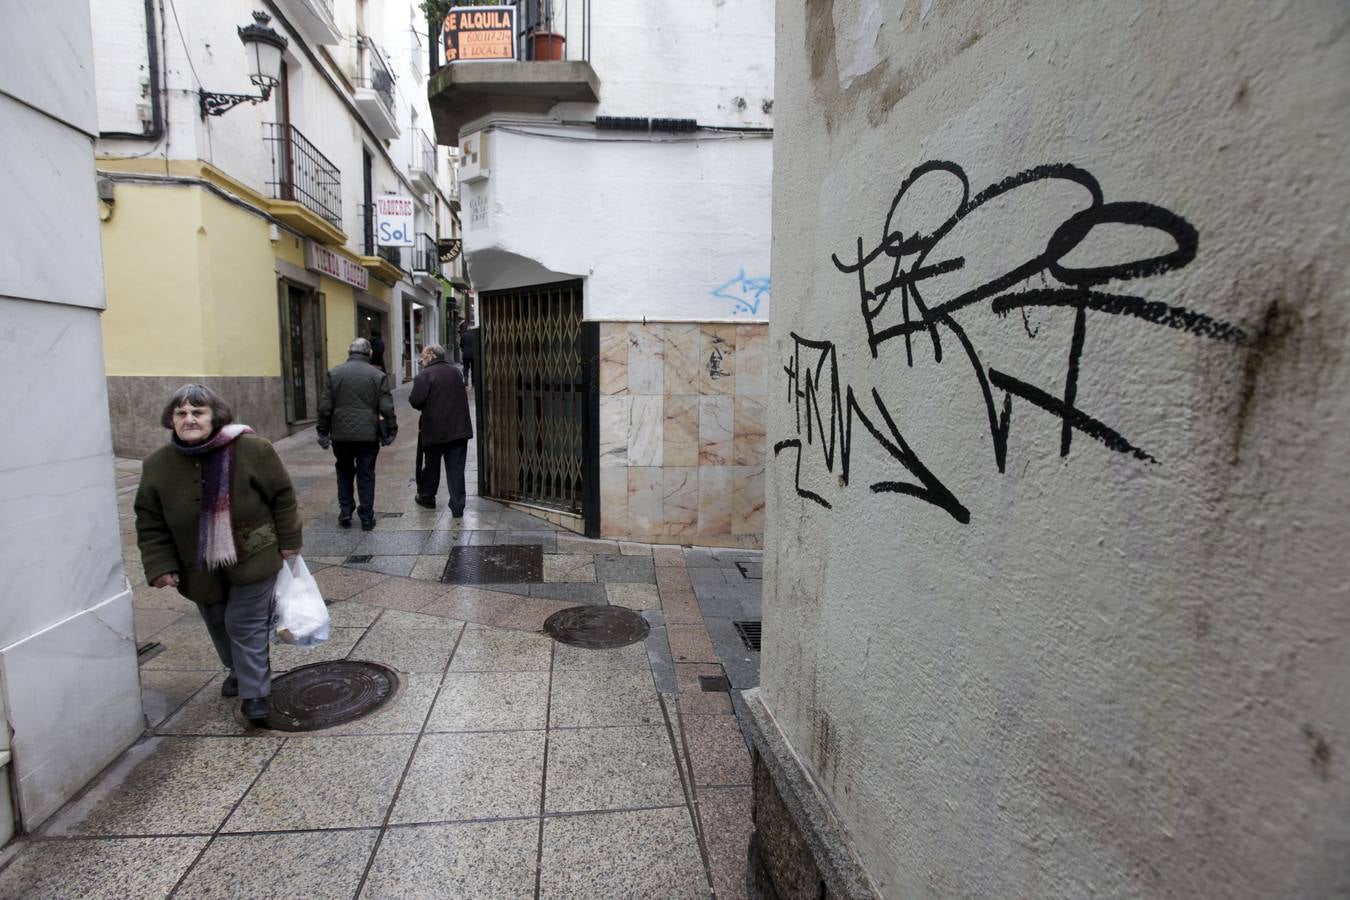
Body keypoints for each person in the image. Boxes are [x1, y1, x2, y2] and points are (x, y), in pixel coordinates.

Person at [134, 384, 301, 722]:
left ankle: (255, 694)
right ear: (171, 419)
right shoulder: (157, 465)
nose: (189, 419)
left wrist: (289, 539)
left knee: (243, 622)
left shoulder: (253, 449)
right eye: (181, 413)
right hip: (196, 565)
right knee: (217, 619)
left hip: (254, 555)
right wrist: (160, 564)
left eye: (198, 412)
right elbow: (150, 521)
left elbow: (282, 496)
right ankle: (238, 670)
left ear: (216, 416)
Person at [317, 338, 397, 530]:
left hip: (341, 435)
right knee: (366, 473)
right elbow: (386, 407)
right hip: (367, 435)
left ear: (349, 352)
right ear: (369, 353)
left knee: (344, 470)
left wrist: (323, 431)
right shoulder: (377, 375)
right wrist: (391, 429)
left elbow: (325, 407)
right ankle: (367, 517)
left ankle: (346, 510)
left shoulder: (334, 373)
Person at [409, 343, 473, 516]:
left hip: (434, 429)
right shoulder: (456, 372)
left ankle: (427, 497)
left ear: (431, 355)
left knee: (431, 466)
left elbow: (415, 401)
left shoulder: (425, 375)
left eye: (423, 355)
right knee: (456, 469)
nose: (421, 359)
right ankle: (458, 506)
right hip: (458, 429)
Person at [459, 323, 477, 389]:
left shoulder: (463, 335)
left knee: (466, 367)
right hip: (473, 354)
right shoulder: (474, 335)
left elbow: (461, 345)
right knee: (473, 369)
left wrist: (463, 349)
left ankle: (466, 377)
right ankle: (473, 382)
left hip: (465, 354)